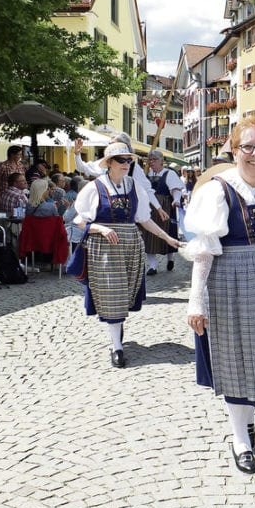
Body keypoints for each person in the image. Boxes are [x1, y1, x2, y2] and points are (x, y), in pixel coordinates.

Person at [184, 116, 255, 475]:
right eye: (246, 146)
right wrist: (196, 300)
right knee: (235, 358)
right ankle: (241, 440)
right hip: (229, 279)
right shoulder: (217, 190)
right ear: (233, 151)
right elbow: (203, 250)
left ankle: (246, 416)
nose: (254, 153)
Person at [72, 143, 180, 369]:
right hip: (105, 247)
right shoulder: (95, 187)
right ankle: (117, 348)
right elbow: (79, 220)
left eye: (128, 160)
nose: (126, 164)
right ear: (109, 163)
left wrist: (167, 238)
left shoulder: (134, 186)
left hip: (131, 245)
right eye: (121, 160)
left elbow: (144, 219)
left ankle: (117, 332)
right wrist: (100, 228)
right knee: (112, 293)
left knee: (125, 294)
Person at [72, 133, 169, 226]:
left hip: (125, 212)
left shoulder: (133, 167)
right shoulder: (106, 163)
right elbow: (82, 168)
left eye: (113, 144)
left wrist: (158, 208)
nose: (109, 146)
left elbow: (146, 189)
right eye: (110, 144)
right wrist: (77, 154)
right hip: (105, 211)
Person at [143, 149, 185, 275]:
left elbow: (176, 189)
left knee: (168, 233)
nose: (151, 162)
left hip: (165, 207)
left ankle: (170, 258)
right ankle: (153, 266)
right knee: (149, 236)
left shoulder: (169, 174)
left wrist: (176, 200)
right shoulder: (147, 175)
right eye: (149, 159)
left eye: (154, 159)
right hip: (149, 209)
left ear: (161, 161)